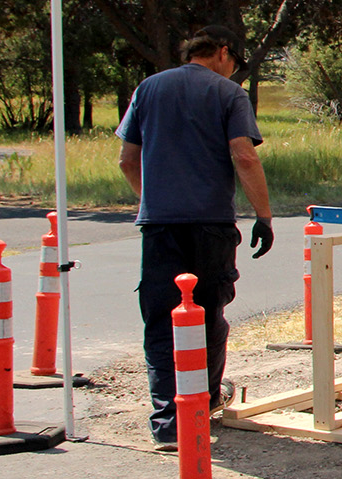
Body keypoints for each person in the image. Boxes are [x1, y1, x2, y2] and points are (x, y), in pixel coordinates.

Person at [116, 25, 274, 450]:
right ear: (223, 53)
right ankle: (200, 407)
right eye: (235, 64)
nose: (233, 72)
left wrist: (153, 198)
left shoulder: (148, 88)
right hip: (211, 224)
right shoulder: (228, 94)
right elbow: (243, 154)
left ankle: (167, 422)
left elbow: (128, 159)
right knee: (207, 314)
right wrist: (263, 215)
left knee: (161, 318)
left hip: (160, 225)